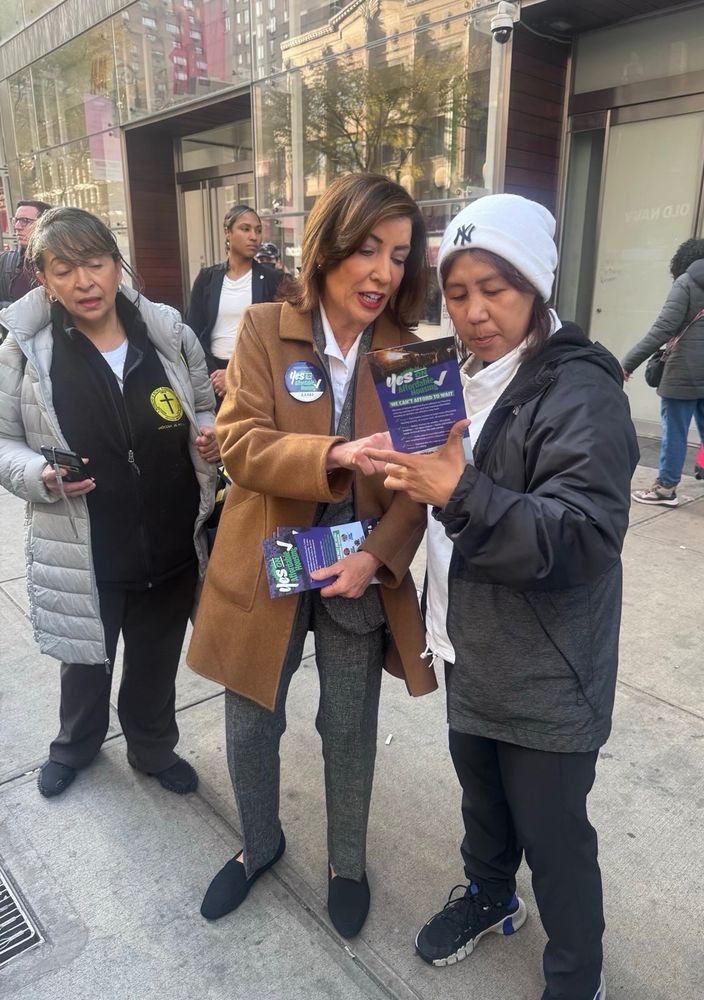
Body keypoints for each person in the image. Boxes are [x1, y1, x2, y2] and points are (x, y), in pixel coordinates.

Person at [363, 194, 639, 1000]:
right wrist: (409, 471)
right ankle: (490, 897)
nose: (476, 312)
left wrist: (460, 491)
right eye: (458, 292)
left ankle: (574, 976)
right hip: (469, 646)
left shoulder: (581, 390)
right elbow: (445, 487)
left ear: (537, 288)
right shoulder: (459, 375)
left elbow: (583, 536)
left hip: (550, 671)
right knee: (483, 806)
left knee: (555, 840)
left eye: (498, 289)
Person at [187, 172, 437, 935]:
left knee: (349, 724)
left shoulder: (411, 355)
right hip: (266, 559)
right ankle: (258, 844)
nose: (382, 272)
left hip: (357, 566)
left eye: (397, 255)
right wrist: (335, 453)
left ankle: (347, 861)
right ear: (328, 246)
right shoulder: (266, 329)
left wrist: (377, 556)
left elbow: (423, 482)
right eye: (366, 249)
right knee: (251, 717)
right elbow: (240, 444)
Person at [0, 207, 219, 799]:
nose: (84, 281)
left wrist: (210, 432)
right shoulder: (25, 351)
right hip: (86, 543)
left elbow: (203, 404)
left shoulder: (167, 334)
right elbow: (3, 441)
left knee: (155, 661)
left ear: (116, 265)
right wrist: (39, 474)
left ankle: (152, 748)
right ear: (43, 278)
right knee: (86, 663)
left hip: (172, 538)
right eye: (64, 269)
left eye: (95, 263)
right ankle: (76, 745)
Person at [622, 238, 704, 510]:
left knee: (675, 430)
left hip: (683, 372)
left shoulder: (685, 283)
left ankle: (666, 488)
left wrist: (627, 363)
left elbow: (663, 329)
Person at [187, 204, 284, 400]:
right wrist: (215, 375)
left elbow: (275, 337)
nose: (254, 237)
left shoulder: (273, 280)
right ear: (227, 233)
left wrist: (233, 374)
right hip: (212, 378)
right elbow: (193, 332)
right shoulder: (207, 278)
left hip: (255, 377)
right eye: (245, 229)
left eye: (258, 230)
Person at [0, 200, 53, 312]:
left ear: (45, 223)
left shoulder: (62, 263)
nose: (17, 226)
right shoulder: (5, 261)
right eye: (16, 220)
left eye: (25, 221)